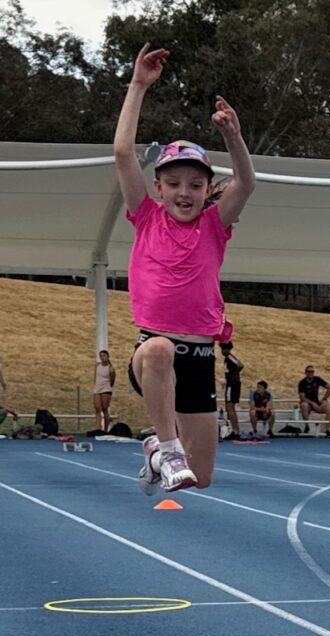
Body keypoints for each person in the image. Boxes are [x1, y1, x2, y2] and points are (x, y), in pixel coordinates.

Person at [114, 43, 255, 494]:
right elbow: (121, 153)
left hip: (198, 357)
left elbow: (247, 182)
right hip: (153, 353)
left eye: (195, 184)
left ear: (209, 189)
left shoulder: (215, 225)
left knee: (203, 478)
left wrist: (233, 136)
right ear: (158, 186)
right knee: (158, 350)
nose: (184, 192)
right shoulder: (146, 216)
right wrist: (138, 85)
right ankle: (168, 448)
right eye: (173, 183)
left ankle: (158, 448)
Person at [297, 365, 330, 435]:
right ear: (305, 373)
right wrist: (313, 403)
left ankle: (327, 430)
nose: (310, 373)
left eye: (312, 372)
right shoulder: (302, 383)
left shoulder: (317, 379)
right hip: (307, 403)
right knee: (304, 405)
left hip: (316, 402)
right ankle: (307, 426)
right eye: (309, 371)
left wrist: (324, 398)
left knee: (329, 409)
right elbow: (302, 397)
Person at [220, 341, 243, 439]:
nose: (222, 351)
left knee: (230, 407)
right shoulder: (226, 359)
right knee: (231, 408)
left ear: (228, 349)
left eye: (224, 349)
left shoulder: (230, 357)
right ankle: (236, 430)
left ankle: (235, 431)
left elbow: (241, 365)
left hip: (232, 385)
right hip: (231, 384)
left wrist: (235, 375)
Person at [92, 350, 116, 432]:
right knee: (97, 408)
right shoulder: (97, 365)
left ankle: (106, 429)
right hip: (97, 388)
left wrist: (108, 387)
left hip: (106, 388)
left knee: (105, 409)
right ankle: (98, 428)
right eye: (101, 356)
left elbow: (112, 380)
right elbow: (95, 376)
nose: (102, 358)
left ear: (107, 357)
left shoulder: (110, 368)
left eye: (104, 356)